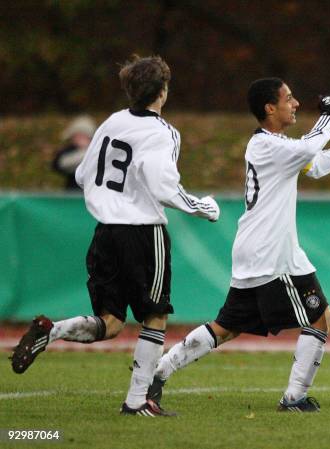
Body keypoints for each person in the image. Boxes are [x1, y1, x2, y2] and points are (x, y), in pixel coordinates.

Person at [146, 78, 330, 413]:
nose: (295, 103)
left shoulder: (272, 144)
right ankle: (294, 398)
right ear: (270, 108)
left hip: (259, 250)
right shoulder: (267, 146)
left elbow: (312, 166)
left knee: (226, 327)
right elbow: (308, 150)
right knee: (320, 318)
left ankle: (158, 372)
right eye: (289, 98)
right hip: (273, 254)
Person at [10, 55, 220, 417]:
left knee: (110, 323)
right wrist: (203, 207)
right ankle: (137, 401)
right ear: (162, 92)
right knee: (155, 317)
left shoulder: (111, 122)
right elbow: (164, 187)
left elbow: (81, 176)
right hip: (143, 233)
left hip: (105, 232)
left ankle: (53, 330)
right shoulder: (163, 132)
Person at [52, 115, 96, 190]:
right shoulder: (69, 150)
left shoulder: (98, 150)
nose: (73, 139)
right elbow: (59, 164)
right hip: (72, 195)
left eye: (76, 136)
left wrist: (88, 149)